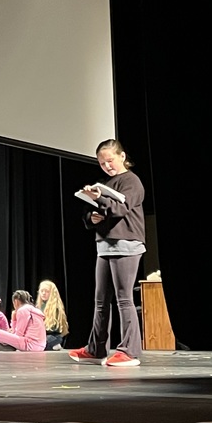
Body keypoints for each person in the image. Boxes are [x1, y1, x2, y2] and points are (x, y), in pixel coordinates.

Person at [69, 139, 145, 368]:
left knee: (124, 298)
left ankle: (129, 351)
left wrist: (99, 198)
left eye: (110, 161)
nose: (107, 166)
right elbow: (92, 211)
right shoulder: (104, 184)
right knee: (101, 300)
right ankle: (96, 348)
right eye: (102, 163)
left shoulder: (131, 181)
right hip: (104, 244)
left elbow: (121, 208)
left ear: (122, 156)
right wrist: (90, 217)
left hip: (126, 243)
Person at [36, 279, 70, 351]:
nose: (43, 293)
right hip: (42, 335)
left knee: (38, 345)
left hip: (53, 336)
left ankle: (54, 345)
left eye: (47, 291)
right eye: (42, 291)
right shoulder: (39, 306)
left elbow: (53, 328)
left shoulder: (55, 308)